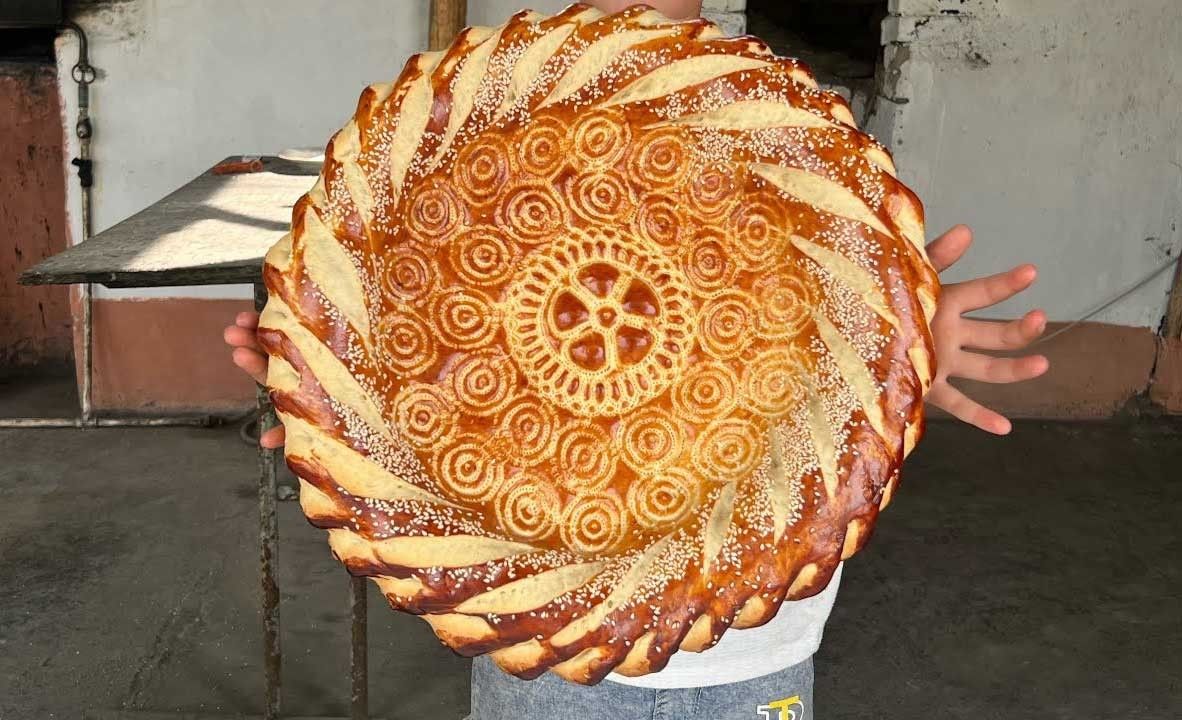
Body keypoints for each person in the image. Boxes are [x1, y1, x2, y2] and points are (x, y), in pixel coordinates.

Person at [224, 4, 1049, 718]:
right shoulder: (501, 101)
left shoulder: (770, 127)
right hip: (545, 660)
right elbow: (367, 342)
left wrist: (905, 355)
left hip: (753, 661)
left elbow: (857, 349)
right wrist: (327, 402)